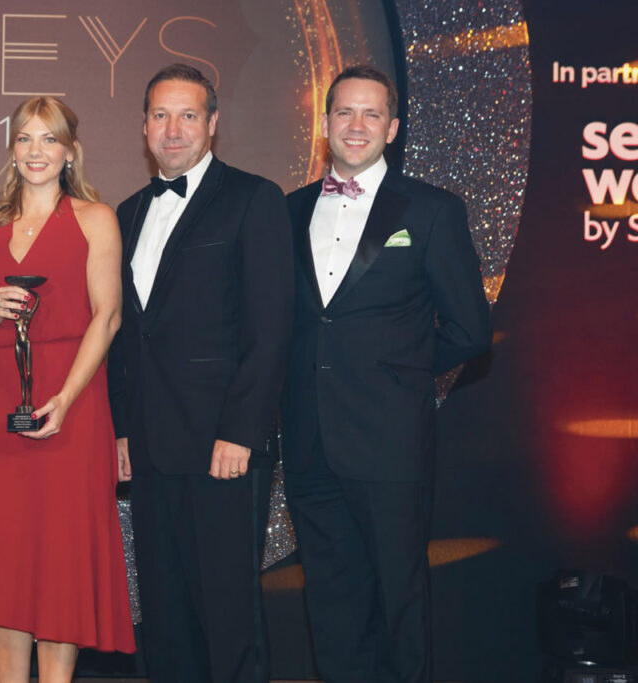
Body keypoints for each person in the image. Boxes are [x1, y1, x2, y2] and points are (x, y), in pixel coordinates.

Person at [280, 65, 492, 682]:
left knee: (398, 600)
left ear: (393, 128)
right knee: (331, 601)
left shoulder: (431, 211)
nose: (357, 125)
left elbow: (470, 331)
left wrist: (397, 374)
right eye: (345, 111)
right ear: (325, 124)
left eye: (372, 114)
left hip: (389, 443)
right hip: (309, 439)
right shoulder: (288, 211)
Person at [0, 96, 135, 682]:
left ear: (70, 151)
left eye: (49, 139)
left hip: (73, 405)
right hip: (0, 401)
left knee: (60, 561)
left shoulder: (95, 218)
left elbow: (108, 318)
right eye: (25, 138)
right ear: (12, 150)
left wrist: (66, 400)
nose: (36, 151)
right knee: (3, 557)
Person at [107, 64, 294, 682]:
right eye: (161, 115)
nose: (174, 129)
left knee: (229, 614)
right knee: (165, 611)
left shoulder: (254, 198)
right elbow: (124, 337)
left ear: (213, 123)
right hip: (153, 448)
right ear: (143, 126)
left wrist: (241, 432)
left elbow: (270, 330)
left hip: (223, 445)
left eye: (189, 115)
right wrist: (121, 433)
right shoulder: (126, 213)